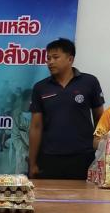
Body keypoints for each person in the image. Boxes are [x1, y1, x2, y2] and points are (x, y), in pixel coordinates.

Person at [28, 38, 104, 179]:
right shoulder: (40, 87)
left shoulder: (89, 82)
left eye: (55, 57)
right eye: (48, 58)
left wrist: (102, 154)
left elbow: (101, 120)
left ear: (70, 59)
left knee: (84, 193)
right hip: (49, 157)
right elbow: (36, 127)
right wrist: (32, 163)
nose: (50, 62)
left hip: (83, 157)